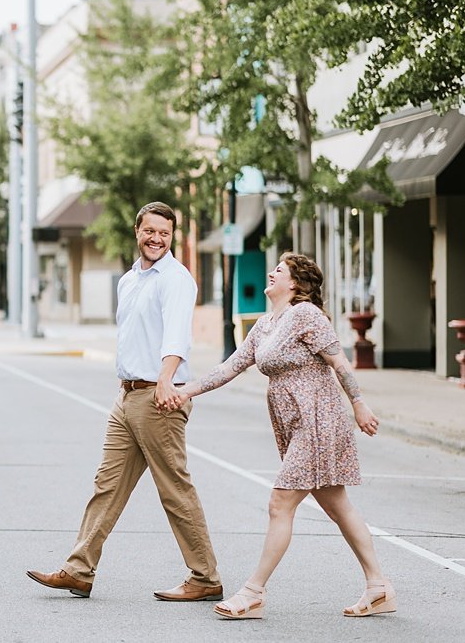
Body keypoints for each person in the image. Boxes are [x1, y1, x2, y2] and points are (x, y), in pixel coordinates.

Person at [169, 252, 395, 619]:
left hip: (318, 421)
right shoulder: (265, 324)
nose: (271, 274)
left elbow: (339, 361)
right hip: (294, 425)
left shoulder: (306, 315)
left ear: (296, 284)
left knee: (280, 502)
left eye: (280, 270)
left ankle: (253, 592)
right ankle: (379, 586)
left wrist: (359, 404)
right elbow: (230, 367)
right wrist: (184, 391)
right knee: (338, 505)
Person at [26, 202, 223, 602]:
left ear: (172, 237)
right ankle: (79, 569)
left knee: (174, 489)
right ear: (137, 231)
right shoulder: (130, 279)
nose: (156, 239)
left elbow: (176, 338)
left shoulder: (177, 279)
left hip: (158, 396)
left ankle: (204, 576)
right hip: (128, 395)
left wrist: (166, 380)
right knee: (107, 485)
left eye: (164, 234)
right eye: (150, 231)